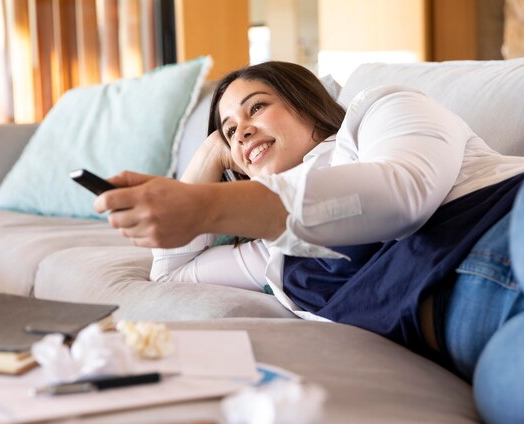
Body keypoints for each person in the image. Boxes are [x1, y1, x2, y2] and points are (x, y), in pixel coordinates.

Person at [94, 61, 524, 423]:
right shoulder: (270, 252)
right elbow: (169, 276)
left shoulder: (380, 111)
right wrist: (208, 156)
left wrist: (206, 204)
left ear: (308, 106)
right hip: (477, 332)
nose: (241, 133)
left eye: (256, 108)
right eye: (229, 132)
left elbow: (402, 195)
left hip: (509, 230)